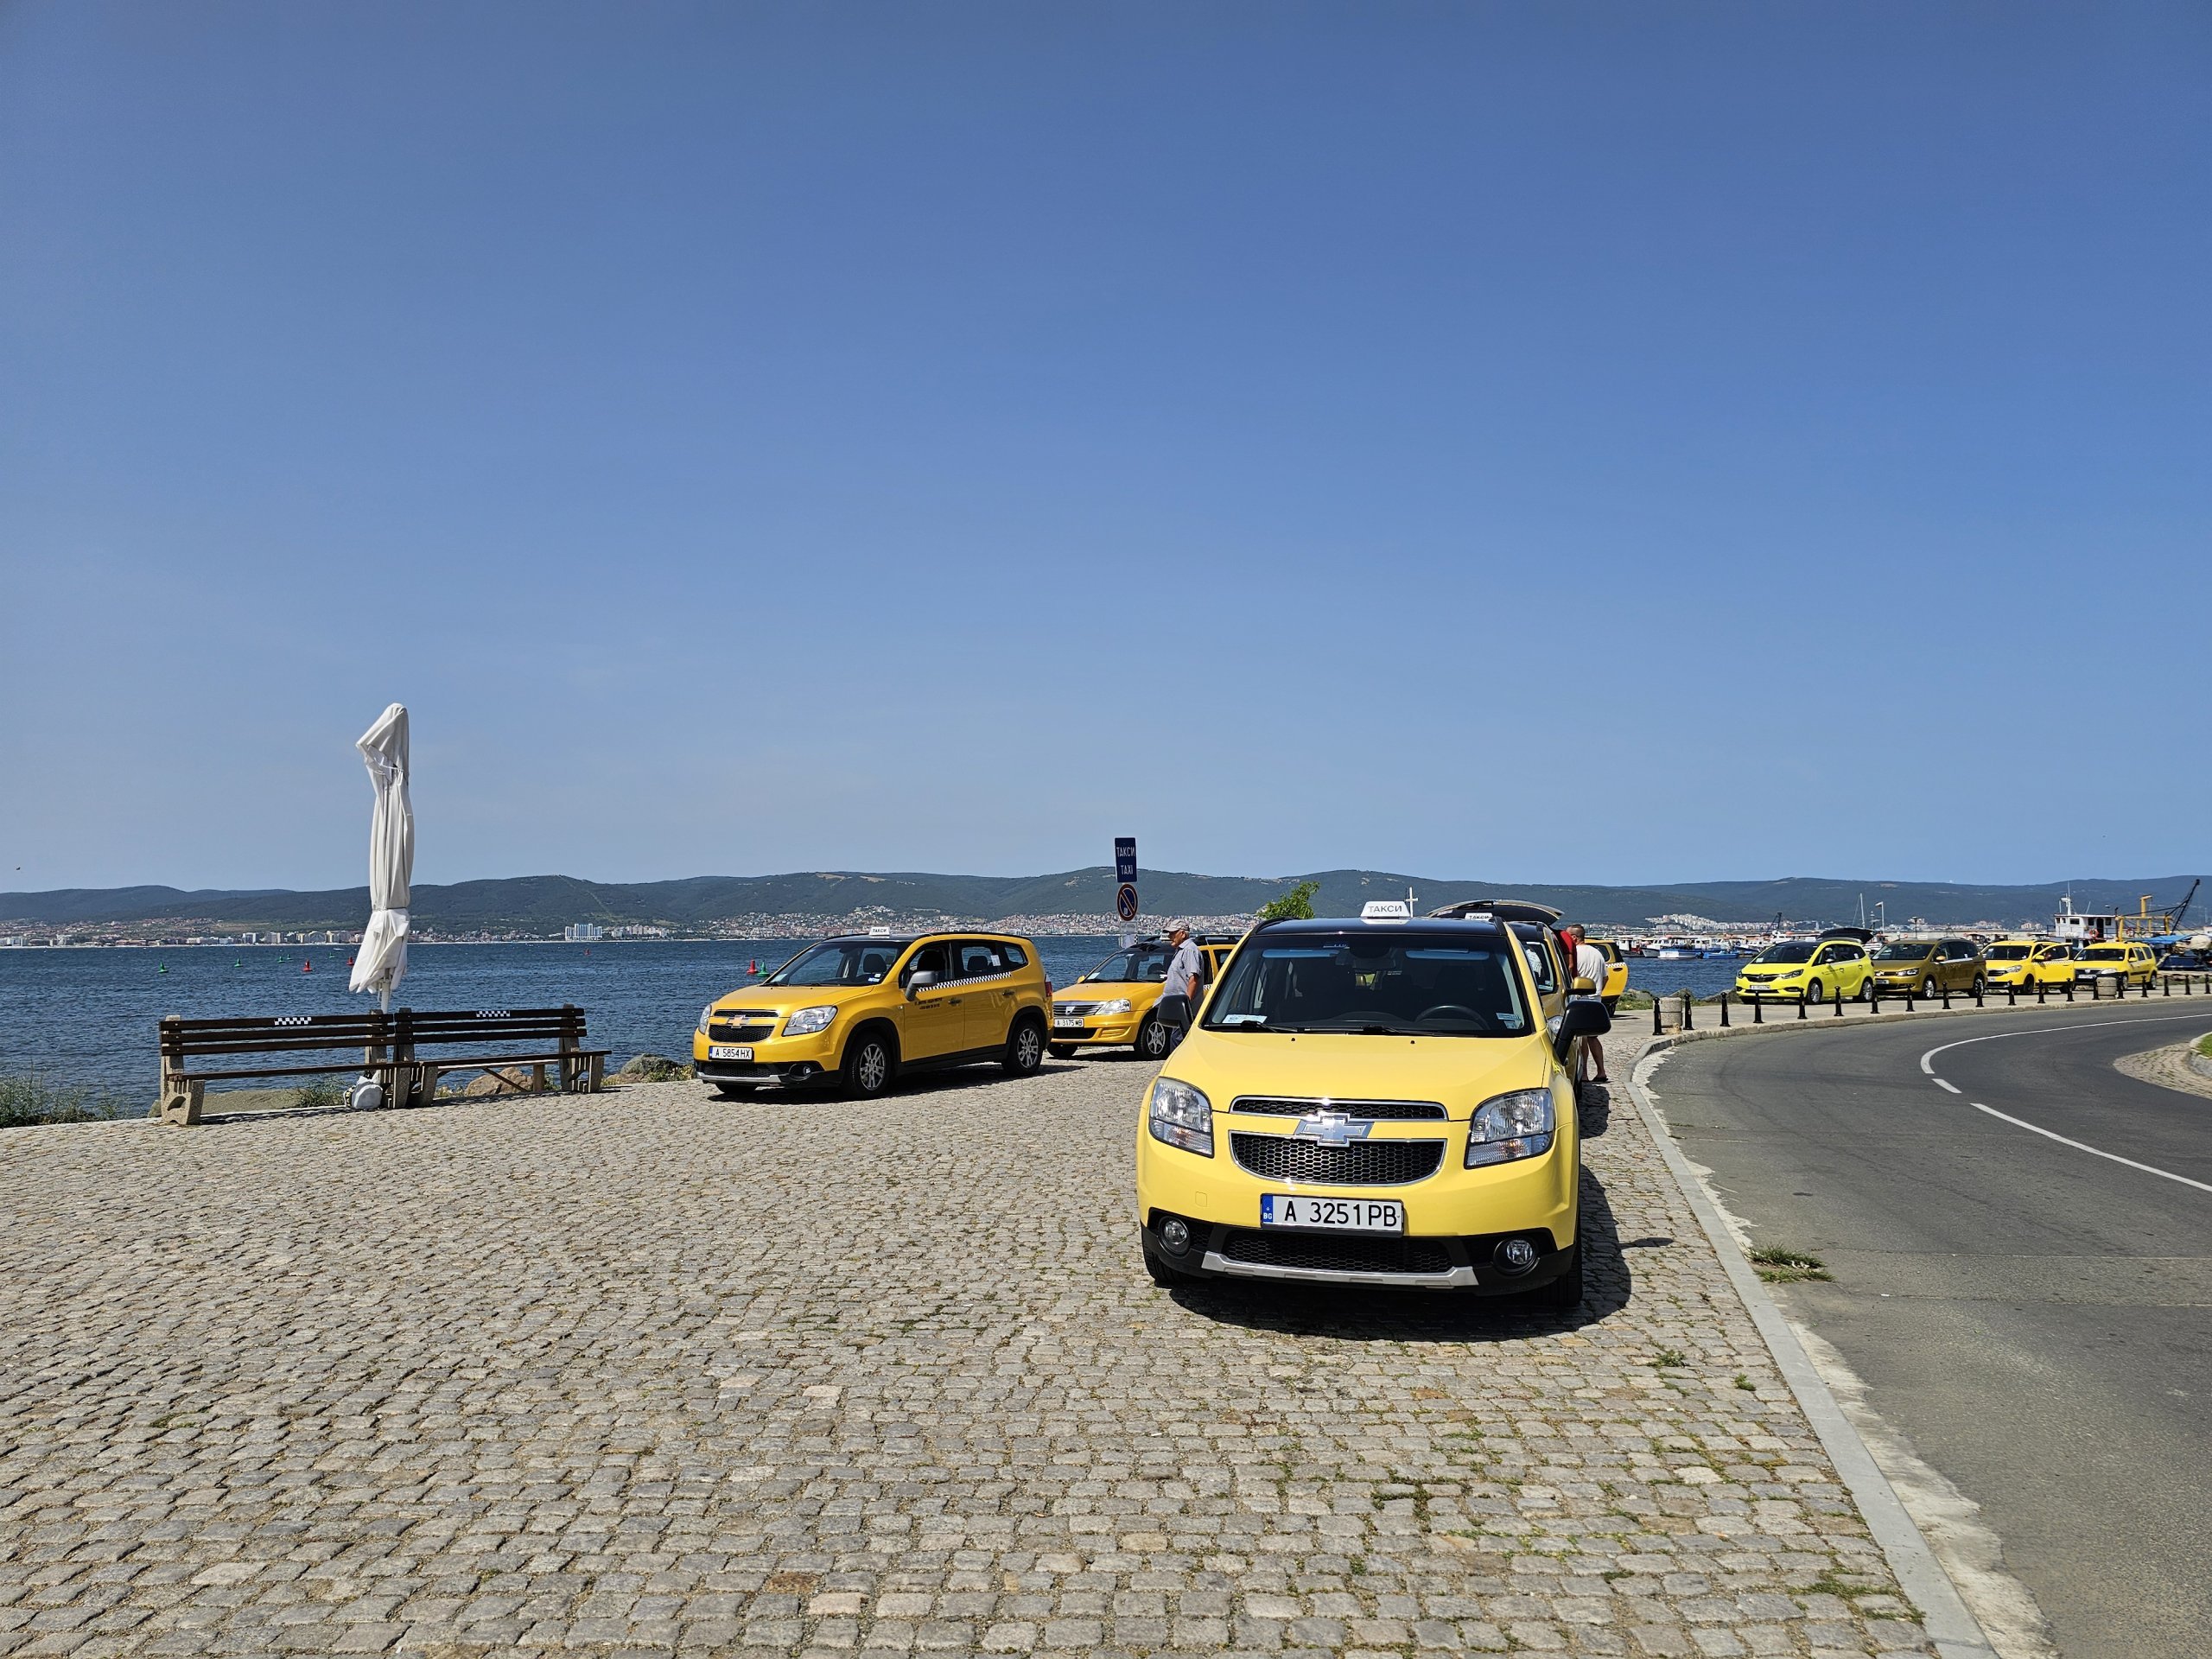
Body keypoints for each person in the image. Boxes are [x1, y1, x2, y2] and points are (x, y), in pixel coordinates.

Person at [1564, 924, 1610, 1085]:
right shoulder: (1597, 953)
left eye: (1568, 936)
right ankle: (1601, 1071)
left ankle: (1583, 1073)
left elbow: (1570, 973)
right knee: (1593, 1037)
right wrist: (1598, 992)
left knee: (1581, 1037)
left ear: (1574, 937)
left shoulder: (1575, 953)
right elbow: (1605, 977)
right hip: (1596, 999)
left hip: (1580, 998)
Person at [1156, 923, 1204, 1051]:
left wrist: (1185, 1006)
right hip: (1178, 1011)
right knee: (1177, 1041)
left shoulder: (1189, 950)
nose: (1169, 936)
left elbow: (1193, 978)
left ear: (1182, 934)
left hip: (1185, 1012)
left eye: (1173, 933)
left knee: (1178, 1044)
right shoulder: (1180, 951)